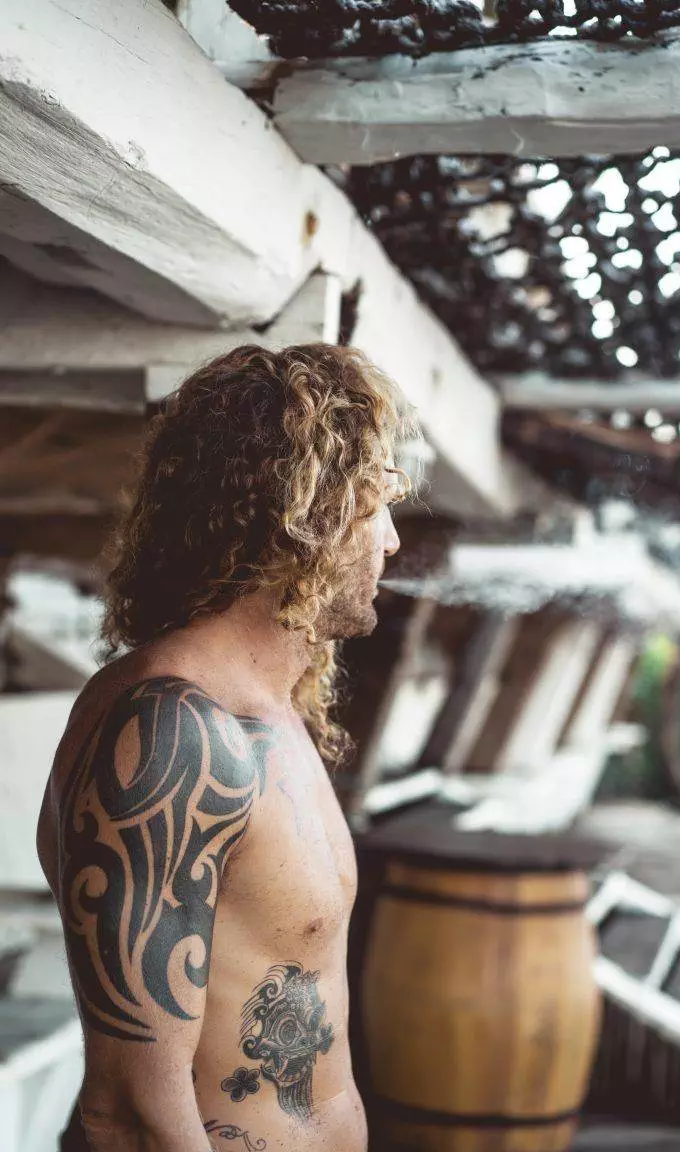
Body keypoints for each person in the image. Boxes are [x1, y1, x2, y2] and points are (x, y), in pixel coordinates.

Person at [36, 343, 417, 1152]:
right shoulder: (170, 730)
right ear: (305, 509)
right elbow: (128, 1111)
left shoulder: (271, 711)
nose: (389, 542)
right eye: (376, 504)